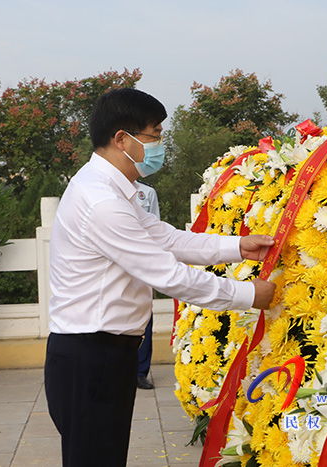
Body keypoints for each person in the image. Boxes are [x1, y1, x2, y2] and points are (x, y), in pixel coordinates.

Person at [44, 88, 276, 467]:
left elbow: (165, 237)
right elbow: (167, 275)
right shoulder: (102, 202)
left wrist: (238, 246)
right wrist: (248, 294)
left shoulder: (113, 190)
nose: (160, 145)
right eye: (154, 135)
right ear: (123, 139)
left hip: (102, 354)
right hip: (92, 356)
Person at [134, 181, 159, 390]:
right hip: (113, 262)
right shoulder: (105, 189)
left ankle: (140, 372)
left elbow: (156, 228)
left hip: (142, 264)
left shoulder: (147, 192)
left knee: (145, 318)